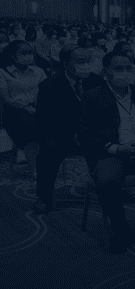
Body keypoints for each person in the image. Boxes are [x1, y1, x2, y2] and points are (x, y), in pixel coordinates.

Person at [79, 50, 135, 253]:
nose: (124, 72)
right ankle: (121, 229)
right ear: (106, 72)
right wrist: (116, 148)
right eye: (118, 68)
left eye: (128, 68)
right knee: (107, 180)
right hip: (112, 153)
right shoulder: (92, 96)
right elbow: (85, 134)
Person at [33, 45, 103, 213]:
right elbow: (46, 122)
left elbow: (104, 113)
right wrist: (73, 135)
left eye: (88, 61)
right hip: (64, 136)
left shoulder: (96, 81)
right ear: (66, 64)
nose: (86, 65)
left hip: (92, 134)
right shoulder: (49, 86)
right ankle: (43, 196)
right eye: (80, 61)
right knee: (48, 149)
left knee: (117, 144)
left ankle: (114, 188)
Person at [0, 38, 46, 187]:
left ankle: (45, 162)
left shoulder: (38, 71)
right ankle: (36, 170)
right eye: (24, 53)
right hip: (13, 112)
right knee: (30, 129)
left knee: (52, 123)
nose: (28, 56)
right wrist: (25, 107)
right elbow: (7, 99)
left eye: (30, 53)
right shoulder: (3, 72)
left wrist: (39, 108)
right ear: (13, 55)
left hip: (37, 109)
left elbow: (46, 93)